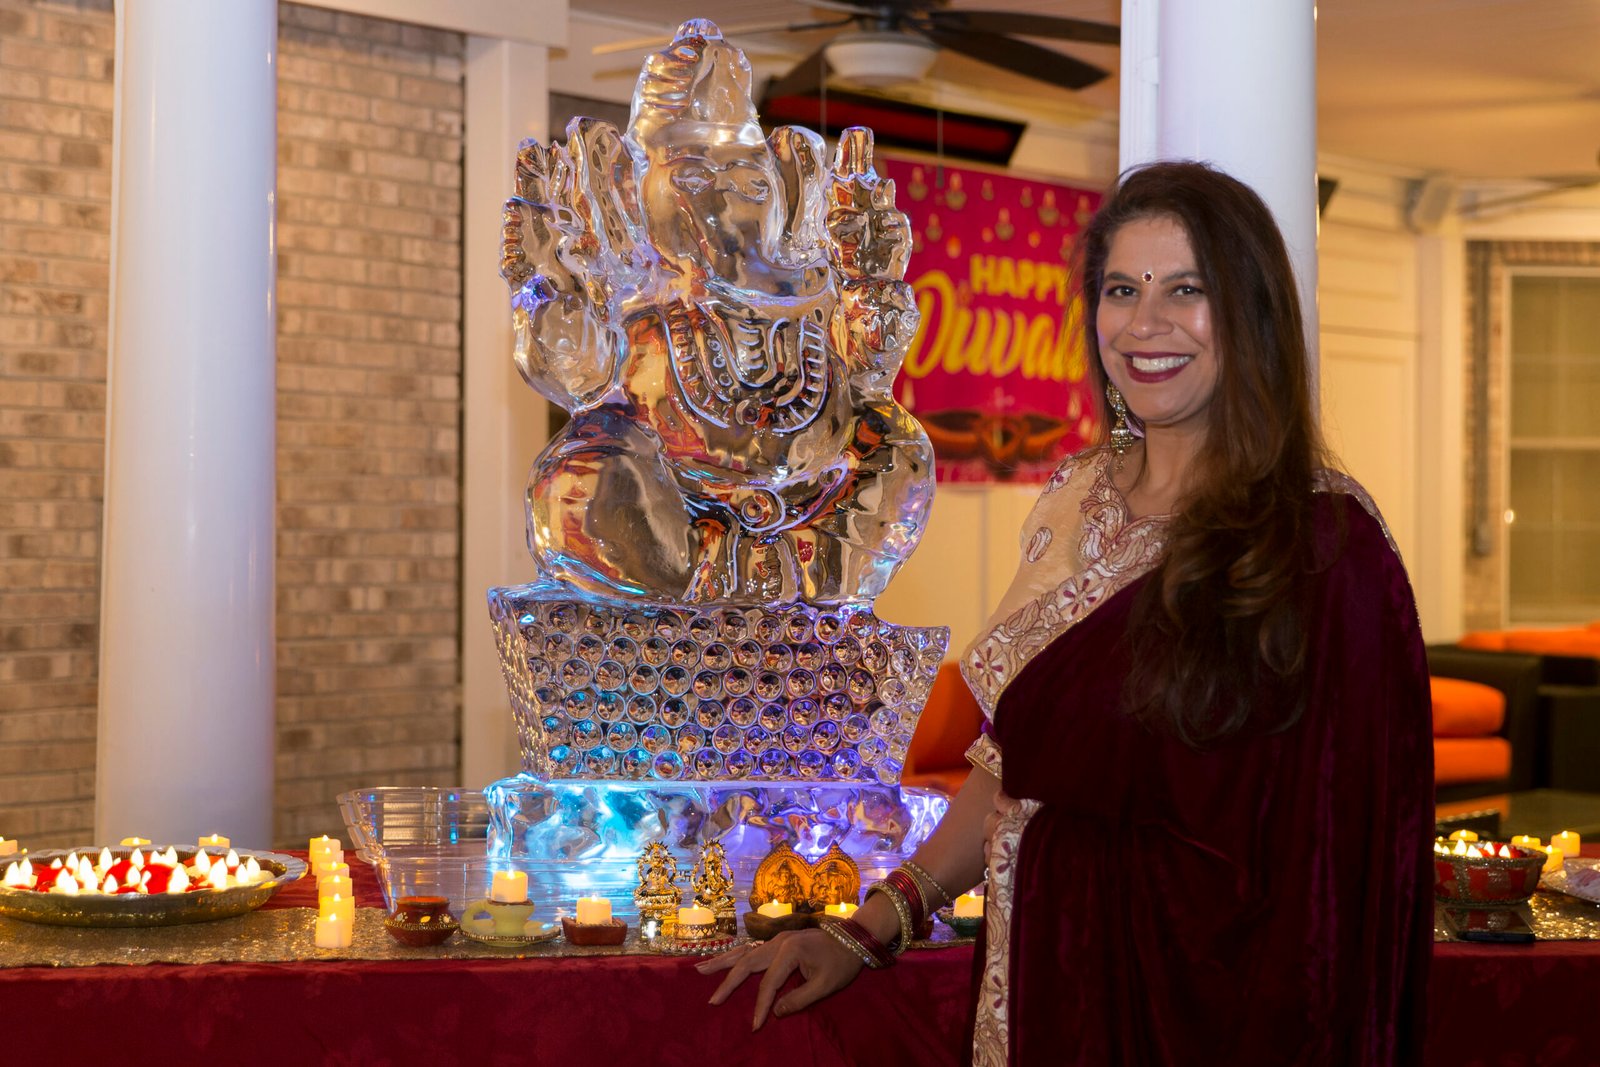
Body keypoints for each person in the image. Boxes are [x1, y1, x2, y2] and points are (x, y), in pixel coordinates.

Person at [699, 160, 1434, 1066]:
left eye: (1187, 289)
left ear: (1252, 313)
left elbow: (1345, 877)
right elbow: (1014, 765)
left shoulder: (1323, 548)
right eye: (1122, 289)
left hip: (1224, 1021)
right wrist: (871, 925)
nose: (1146, 322)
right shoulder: (1076, 497)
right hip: (1054, 994)